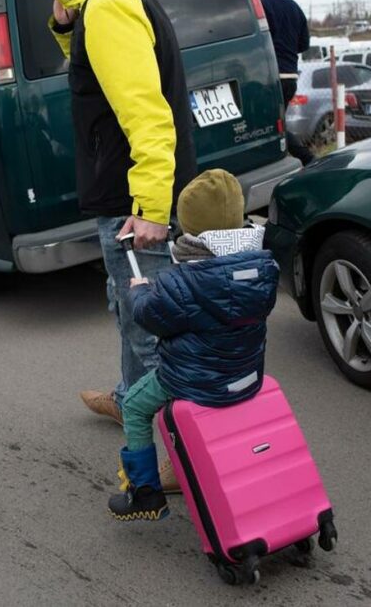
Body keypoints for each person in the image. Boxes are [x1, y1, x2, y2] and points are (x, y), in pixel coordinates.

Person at [30, 0, 198, 491]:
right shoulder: (111, 2)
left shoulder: (107, 9)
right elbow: (96, 77)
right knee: (132, 312)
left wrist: (150, 208)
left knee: (151, 329)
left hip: (134, 202)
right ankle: (130, 400)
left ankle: (181, 455)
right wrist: (62, 24)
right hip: (123, 193)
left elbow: (148, 116)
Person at [108, 169, 279, 521]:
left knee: (137, 406)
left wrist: (139, 289)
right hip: (246, 374)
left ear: (190, 227)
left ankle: (145, 492)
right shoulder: (264, 267)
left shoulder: (182, 281)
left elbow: (149, 317)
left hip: (194, 379)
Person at [249, 0, 315, 166]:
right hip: (291, 77)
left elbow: (256, 43)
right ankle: (296, 158)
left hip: (270, 77)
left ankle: (307, 158)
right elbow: (303, 44)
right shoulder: (294, 6)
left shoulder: (261, 6)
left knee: (268, 124)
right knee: (275, 123)